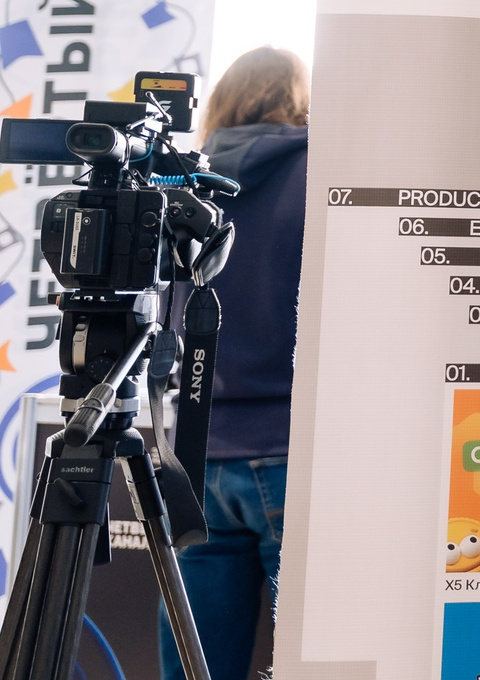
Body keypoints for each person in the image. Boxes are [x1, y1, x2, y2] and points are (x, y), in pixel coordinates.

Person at [158, 47, 310, 680]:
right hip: (292, 448)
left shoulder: (180, 183)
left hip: (197, 452)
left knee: (197, 664)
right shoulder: (323, 173)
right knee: (311, 660)